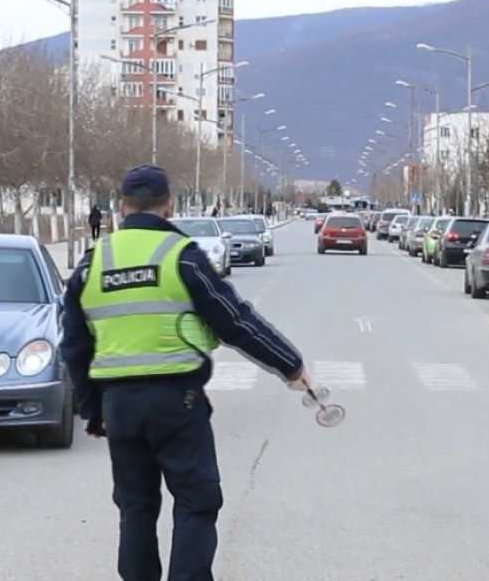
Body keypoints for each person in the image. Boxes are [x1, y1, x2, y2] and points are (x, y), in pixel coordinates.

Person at [61, 164, 309, 581]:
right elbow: (235, 321)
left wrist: (93, 409)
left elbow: (73, 345)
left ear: (121, 207)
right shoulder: (181, 257)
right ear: (169, 205)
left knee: (135, 506)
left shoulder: (91, 263)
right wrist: (290, 364)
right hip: (177, 402)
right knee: (197, 501)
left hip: (119, 406)